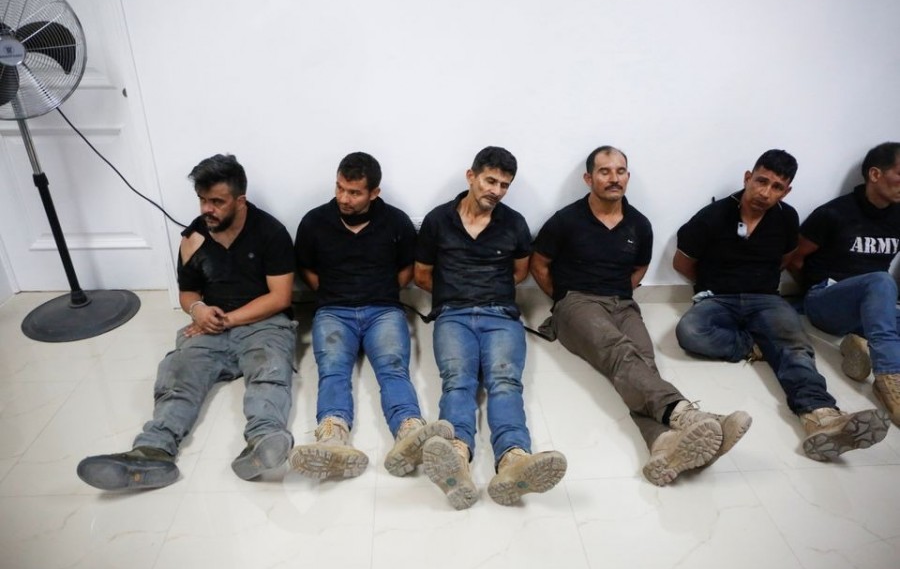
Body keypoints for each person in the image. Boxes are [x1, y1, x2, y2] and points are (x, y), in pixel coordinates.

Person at [530, 146, 751, 486]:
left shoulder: (639, 224)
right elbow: (540, 265)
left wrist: (621, 295)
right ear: (589, 178)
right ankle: (687, 414)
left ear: (627, 177)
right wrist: (562, 301)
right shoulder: (565, 220)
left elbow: (639, 268)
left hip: (622, 303)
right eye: (604, 171)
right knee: (619, 353)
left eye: (620, 171)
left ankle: (663, 447)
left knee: (640, 366)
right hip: (576, 302)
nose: (613, 178)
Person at [77, 154, 297, 490]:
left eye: (217, 202)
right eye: (202, 200)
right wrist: (197, 310)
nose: (207, 209)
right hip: (209, 326)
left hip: (261, 321)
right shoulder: (193, 238)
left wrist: (228, 320)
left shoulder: (271, 233)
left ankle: (264, 441)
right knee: (177, 375)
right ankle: (152, 452)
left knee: (269, 373)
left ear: (240, 201)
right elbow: (188, 292)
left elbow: (280, 297)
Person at [673, 149, 890, 462]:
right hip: (718, 297)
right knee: (690, 331)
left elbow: (785, 259)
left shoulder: (786, 218)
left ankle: (821, 416)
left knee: (796, 347)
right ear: (748, 178)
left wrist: (759, 284)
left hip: (765, 298)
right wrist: (713, 284)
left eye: (776, 187)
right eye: (761, 181)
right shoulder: (713, 216)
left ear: (786, 191)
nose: (765, 192)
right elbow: (683, 262)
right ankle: (756, 345)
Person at [414, 146, 567, 509]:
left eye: (504, 184)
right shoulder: (437, 220)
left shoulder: (513, 223)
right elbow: (422, 276)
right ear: (471, 176)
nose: (496, 190)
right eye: (490, 180)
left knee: (504, 382)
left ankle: (514, 460)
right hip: (452, 314)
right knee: (458, 380)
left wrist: (489, 295)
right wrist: (456, 294)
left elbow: (519, 272)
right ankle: (456, 457)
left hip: (501, 315)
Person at [288, 152, 453, 480]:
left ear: (374, 193)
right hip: (333, 311)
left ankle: (409, 432)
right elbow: (306, 268)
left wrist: (382, 293)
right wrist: (332, 294)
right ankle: (333, 437)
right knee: (333, 370)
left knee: (393, 369)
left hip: (383, 310)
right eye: (339, 188)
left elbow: (407, 270)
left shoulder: (396, 222)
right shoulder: (314, 222)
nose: (343, 198)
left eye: (354, 192)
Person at [788, 142, 900, 425]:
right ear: (875, 174)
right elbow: (794, 258)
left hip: (870, 308)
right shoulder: (833, 213)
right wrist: (814, 289)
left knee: (882, 288)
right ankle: (889, 377)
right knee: (881, 280)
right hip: (826, 300)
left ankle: (857, 345)